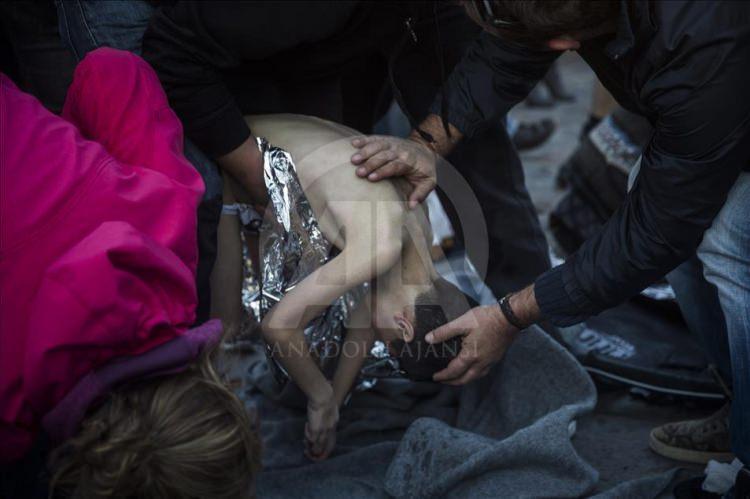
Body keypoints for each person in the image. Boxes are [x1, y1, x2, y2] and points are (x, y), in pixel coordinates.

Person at [349, 0, 750, 491]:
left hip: (719, 86)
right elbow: (508, 50)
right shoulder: (576, 13)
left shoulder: (704, 46)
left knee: (731, 241)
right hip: (716, 106)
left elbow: (655, 232)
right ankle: (741, 402)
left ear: (564, 45)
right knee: (664, 196)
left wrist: (511, 315)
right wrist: (424, 145)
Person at [135, 0, 551, 298]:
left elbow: (505, 57)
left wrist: (427, 143)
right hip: (231, 50)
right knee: (236, 208)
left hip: (369, 31)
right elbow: (173, 53)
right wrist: (260, 177)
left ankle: (528, 316)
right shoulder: (278, 18)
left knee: (475, 149)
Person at [0, 48, 260, 498]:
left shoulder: (166, 228)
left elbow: (113, 71)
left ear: (215, 391)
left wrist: (66, 164)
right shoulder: (8, 418)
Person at [214, 114, 473, 462]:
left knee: (315, 312)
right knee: (223, 330)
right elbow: (277, 327)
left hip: (260, 133)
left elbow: (368, 315)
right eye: (387, 346)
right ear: (404, 325)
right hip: (221, 149)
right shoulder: (381, 247)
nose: (377, 343)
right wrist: (319, 398)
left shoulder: (419, 233)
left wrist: (335, 402)